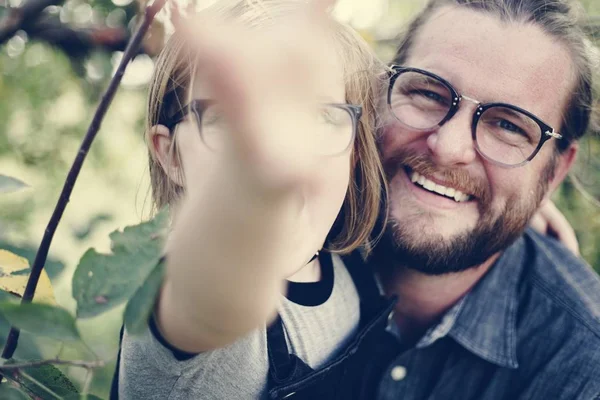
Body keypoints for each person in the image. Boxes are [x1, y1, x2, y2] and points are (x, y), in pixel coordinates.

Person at [113, 0, 397, 399]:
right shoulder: (187, 290)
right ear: (171, 155)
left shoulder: (347, 267)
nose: (285, 149)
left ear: (354, 153)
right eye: (232, 118)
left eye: (320, 117)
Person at [369, 0, 600, 398]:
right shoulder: (285, 234)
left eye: (509, 126)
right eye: (427, 92)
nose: (447, 147)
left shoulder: (582, 365)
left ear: (555, 172)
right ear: (380, 92)